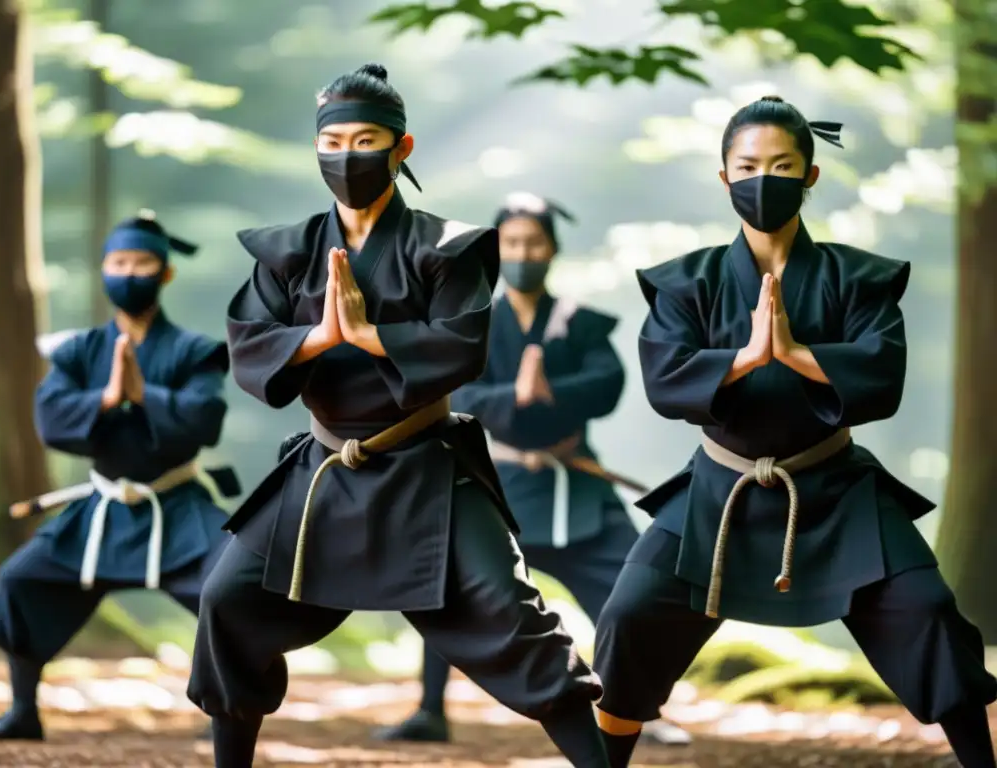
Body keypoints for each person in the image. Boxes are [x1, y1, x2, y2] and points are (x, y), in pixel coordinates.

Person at [185, 64, 611, 768]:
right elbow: (251, 347)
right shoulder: (286, 252)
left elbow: (462, 346)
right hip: (324, 473)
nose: (348, 156)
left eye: (367, 140)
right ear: (317, 149)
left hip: (428, 467)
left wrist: (371, 336)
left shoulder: (449, 246)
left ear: (401, 147)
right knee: (228, 601)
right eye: (334, 141)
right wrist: (320, 338)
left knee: (513, 616)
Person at [590, 95, 997, 768]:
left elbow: (882, 378)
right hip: (721, 491)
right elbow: (666, 382)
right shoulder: (685, 283)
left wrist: (797, 354)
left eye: (782, 165)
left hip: (838, 491)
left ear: (810, 176)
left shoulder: (857, 278)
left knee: (927, 613)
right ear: (723, 177)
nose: (762, 180)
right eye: (747, 165)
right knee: (631, 615)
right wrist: (747, 358)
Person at [376, 192, 689, 747]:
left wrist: (549, 392)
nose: (524, 252)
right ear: (498, 249)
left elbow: (608, 384)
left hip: (575, 485)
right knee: (447, 588)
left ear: (552, 249)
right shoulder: (472, 322)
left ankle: (635, 709)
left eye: (534, 242)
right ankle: (430, 709)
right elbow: (452, 389)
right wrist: (512, 399)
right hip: (498, 486)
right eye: (513, 243)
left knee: (631, 594)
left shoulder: (579, 323)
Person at [0, 211, 238, 741]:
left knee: (230, 587)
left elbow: (204, 421)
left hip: (177, 505)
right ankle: (23, 709)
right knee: (18, 579)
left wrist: (145, 395)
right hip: (101, 510)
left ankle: (229, 714)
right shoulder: (77, 351)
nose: (129, 272)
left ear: (165, 274)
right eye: (119, 262)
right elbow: (51, 417)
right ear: (103, 270)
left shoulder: (195, 351)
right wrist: (107, 397)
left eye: (142, 263)